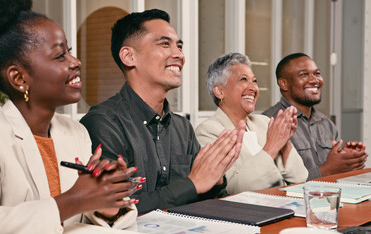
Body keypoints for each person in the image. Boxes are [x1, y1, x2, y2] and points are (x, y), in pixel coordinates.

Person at [0, 0, 141, 234]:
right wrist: (73, 200)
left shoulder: (75, 132)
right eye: (60, 55)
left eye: (70, 51)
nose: (75, 62)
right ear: (19, 78)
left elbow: (82, 221)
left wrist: (105, 201)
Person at [80, 9, 245, 214]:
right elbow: (118, 209)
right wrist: (192, 183)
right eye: (165, 44)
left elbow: (206, 199)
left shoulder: (182, 127)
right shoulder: (102, 123)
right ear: (129, 56)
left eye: (180, 46)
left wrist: (216, 179)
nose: (179, 55)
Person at [195, 53, 308, 194]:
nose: (253, 88)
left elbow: (300, 178)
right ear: (219, 91)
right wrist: (272, 146)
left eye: (254, 81)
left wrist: (285, 141)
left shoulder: (265, 122)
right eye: (243, 79)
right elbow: (232, 190)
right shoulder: (208, 131)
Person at [263, 53, 368, 179]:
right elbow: (272, 181)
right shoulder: (269, 122)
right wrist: (328, 169)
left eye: (317, 73)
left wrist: (346, 161)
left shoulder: (326, 123)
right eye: (303, 74)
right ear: (284, 84)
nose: (314, 80)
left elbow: (335, 173)